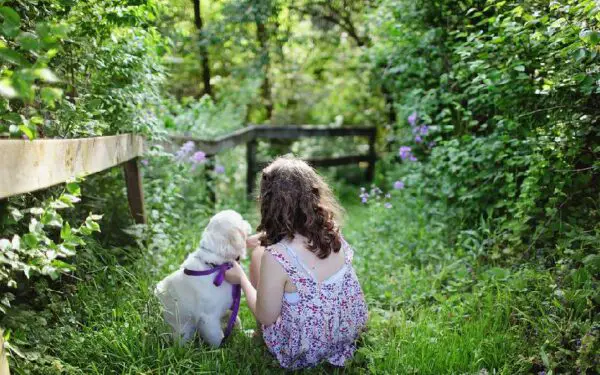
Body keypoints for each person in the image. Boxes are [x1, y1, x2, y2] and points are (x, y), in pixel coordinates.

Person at [225, 156, 368, 370]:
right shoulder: (331, 232)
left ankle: (259, 335)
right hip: (347, 333)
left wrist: (242, 279)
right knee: (264, 254)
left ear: (269, 202)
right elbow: (301, 247)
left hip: (304, 349)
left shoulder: (276, 256)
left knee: (258, 255)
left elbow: (267, 316)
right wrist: (267, 237)